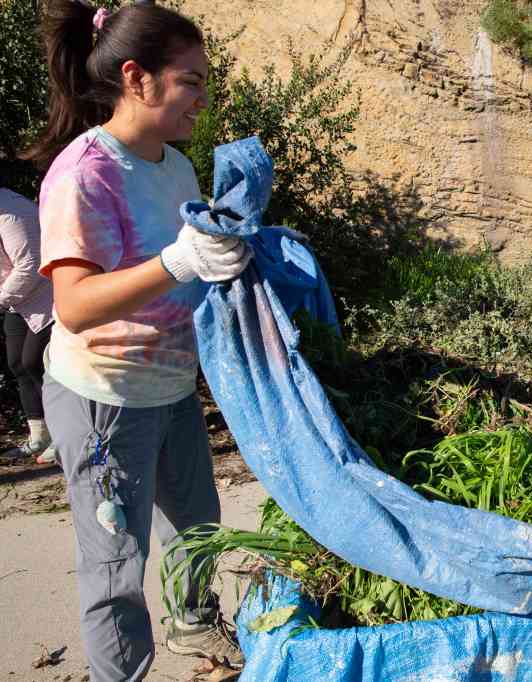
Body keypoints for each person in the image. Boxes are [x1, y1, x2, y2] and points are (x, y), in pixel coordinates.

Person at [22, 2, 252, 679]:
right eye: (191, 81)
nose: (203, 98)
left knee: (198, 527)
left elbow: (187, 270)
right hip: (103, 399)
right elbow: (74, 305)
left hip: (171, 388)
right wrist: (176, 263)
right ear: (137, 77)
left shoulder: (174, 168)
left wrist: (228, 262)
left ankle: (193, 627)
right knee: (117, 563)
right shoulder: (86, 173)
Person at [0, 188, 57, 463]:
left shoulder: (11, 212)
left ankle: (62, 434)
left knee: (36, 362)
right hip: (15, 300)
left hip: (45, 297)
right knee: (17, 364)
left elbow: (30, 264)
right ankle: (39, 435)